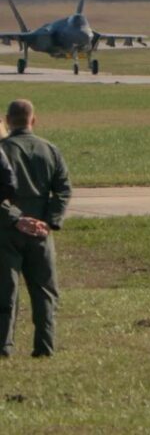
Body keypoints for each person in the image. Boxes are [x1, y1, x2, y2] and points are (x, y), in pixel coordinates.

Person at [0, 99, 71, 358]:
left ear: (8, 121)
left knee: (6, 291)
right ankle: (44, 346)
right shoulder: (50, 150)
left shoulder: (2, 150)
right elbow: (63, 189)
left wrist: (16, 218)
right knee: (44, 291)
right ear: (34, 120)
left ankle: (4, 346)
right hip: (41, 231)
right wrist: (50, 220)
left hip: (7, 230)